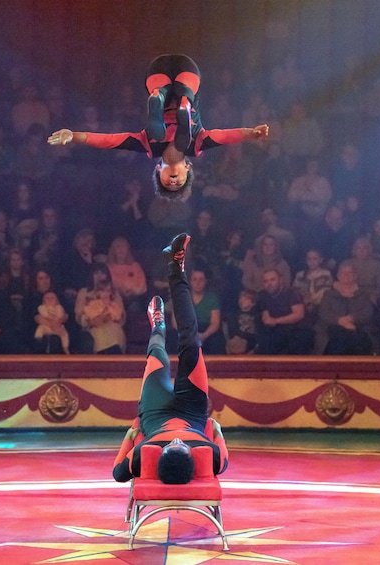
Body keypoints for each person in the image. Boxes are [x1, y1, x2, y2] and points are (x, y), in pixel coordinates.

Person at [48, 54, 269, 201]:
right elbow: (226, 136)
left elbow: (110, 141)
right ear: (188, 170)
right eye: (179, 182)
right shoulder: (198, 145)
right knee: (185, 129)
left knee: (156, 132)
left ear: (158, 170)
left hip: (158, 76)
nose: (173, 181)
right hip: (186, 76)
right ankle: (184, 107)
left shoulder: (148, 147)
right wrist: (252, 133)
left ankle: (158, 100)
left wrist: (74, 135)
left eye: (167, 182)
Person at [112, 233, 228, 484]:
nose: (176, 441)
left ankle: (158, 325)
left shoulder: (145, 453)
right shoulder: (211, 456)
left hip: (154, 414)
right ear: (192, 455)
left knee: (157, 354)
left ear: (161, 454)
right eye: (181, 446)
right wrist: (216, 433)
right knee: (191, 340)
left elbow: (118, 473)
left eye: (171, 446)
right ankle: (176, 266)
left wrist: (133, 434)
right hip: (193, 410)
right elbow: (218, 438)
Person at [314, 261, 374, 355]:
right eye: (343, 272)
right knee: (338, 338)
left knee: (357, 339)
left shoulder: (364, 294)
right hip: (332, 327)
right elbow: (323, 312)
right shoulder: (328, 294)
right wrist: (340, 321)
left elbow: (367, 312)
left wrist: (351, 318)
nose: (346, 275)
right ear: (338, 276)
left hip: (358, 327)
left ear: (355, 276)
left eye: (350, 272)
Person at [255, 268, 314, 355]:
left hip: (298, 329)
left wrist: (275, 321)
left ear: (281, 280)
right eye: (265, 281)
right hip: (279, 330)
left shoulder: (292, 293)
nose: (269, 284)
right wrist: (266, 319)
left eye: (272, 280)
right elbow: (265, 313)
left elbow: (299, 315)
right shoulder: (262, 295)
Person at [34, 290, 70, 354]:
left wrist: (57, 319)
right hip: (46, 326)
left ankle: (65, 347)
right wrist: (48, 317)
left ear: (56, 301)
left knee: (64, 334)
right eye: (47, 298)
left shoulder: (59, 307)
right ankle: (38, 337)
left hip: (57, 327)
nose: (50, 300)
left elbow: (61, 314)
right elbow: (42, 312)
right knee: (40, 328)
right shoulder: (43, 307)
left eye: (52, 298)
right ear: (44, 301)